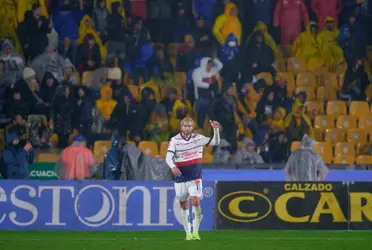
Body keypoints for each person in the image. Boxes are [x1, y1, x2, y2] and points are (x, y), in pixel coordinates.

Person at [166, 117, 220, 240]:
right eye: (185, 126)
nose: (187, 128)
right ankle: (188, 233)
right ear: (181, 127)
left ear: (192, 127)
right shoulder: (175, 140)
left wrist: (215, 130)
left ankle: (196, 232)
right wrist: (173, 166)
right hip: (180, 179)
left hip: (195, 177)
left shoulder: (198, 138)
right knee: (184, 206)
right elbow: (168, 157)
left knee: (196, 201)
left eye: (190, 126)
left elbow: (215, 142)